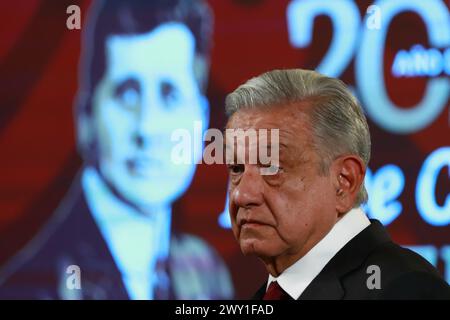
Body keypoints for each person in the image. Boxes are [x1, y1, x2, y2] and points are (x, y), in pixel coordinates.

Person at [0, 0, 233, 300]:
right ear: (86, 118)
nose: (147, 128)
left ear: (201, 121)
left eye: (170, 94)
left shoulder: (204, 271)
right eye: (127, 93)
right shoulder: (35, 288)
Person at [224, 68, 450, 300]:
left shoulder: (405, 290)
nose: (242, 195)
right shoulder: (264, 297)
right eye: (236, 169)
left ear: (345, 181)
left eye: (272, 167)